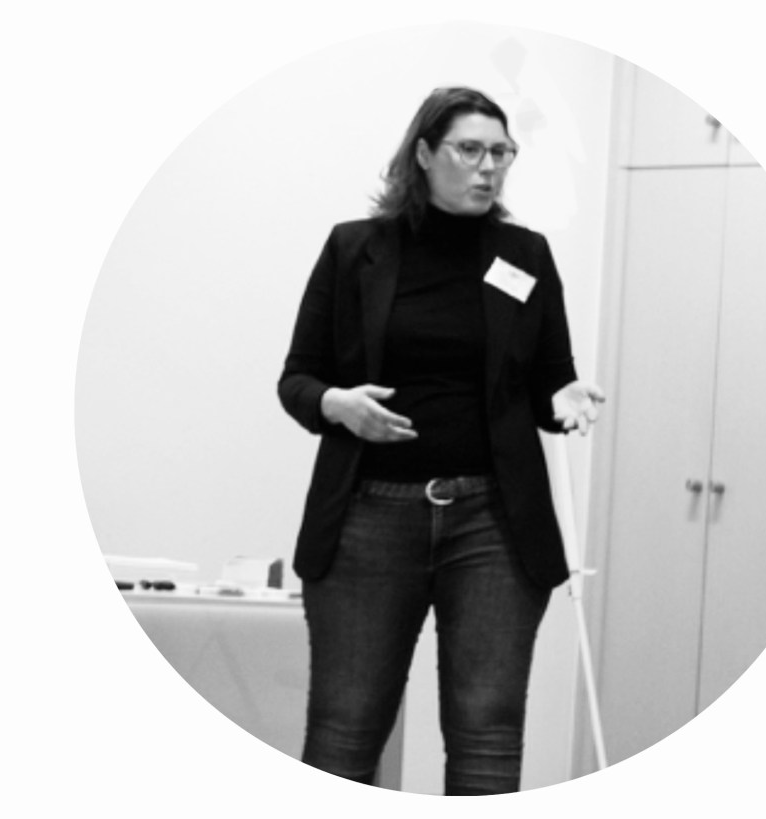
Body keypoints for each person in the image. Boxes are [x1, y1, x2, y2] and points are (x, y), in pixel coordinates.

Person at [277, 86, 604, 795]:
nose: (489, 167)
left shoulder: (525, 254)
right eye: (470, 150)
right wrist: (338, 405)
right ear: (424, 154)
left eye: (502, 152)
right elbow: (297, 380)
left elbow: (550, 380)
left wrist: (564, 399)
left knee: (488, 737)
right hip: (368, 517)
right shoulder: (354, 249)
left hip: (492, 524)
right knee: (344, 734)